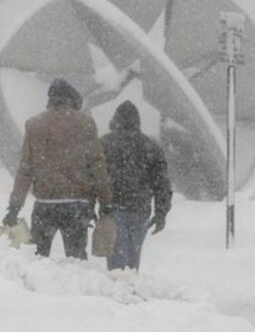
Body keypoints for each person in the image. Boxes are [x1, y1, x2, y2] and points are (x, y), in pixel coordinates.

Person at [2, 78, 112, 259]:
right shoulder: (86, 123)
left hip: (44, 205)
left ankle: (37, 286)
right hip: (76, 205)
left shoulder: (34, 124)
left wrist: (14, 207)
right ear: (71, 100)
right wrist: (105, 202)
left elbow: (25, 170)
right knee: (77, 262)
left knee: (37, 258)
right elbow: (97, 167)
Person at [100, 100, 172, 271]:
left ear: (115, 120)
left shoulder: (104, 143)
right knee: (133, 260)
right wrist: (161, 212)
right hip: (141, 209)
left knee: (116, 261)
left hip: (113, 208)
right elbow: (161, 183)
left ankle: (118, 292)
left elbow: (93, 178)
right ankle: (131, 287)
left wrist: (90, 207)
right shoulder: (150, 145)